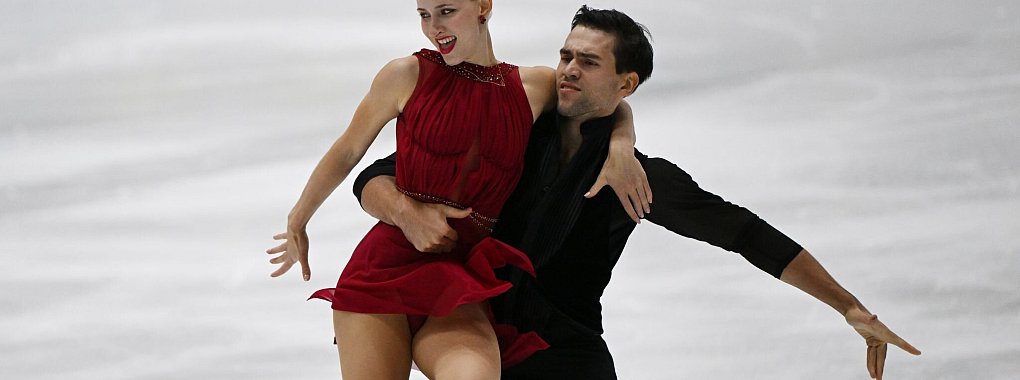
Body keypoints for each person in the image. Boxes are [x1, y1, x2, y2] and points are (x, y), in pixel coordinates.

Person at [352, 6, 921, 380]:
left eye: (588, 62)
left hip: (564, 352)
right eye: (566, 56)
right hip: (472, 326)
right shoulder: (516, 126)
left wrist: (848, 305)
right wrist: (406, 213)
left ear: (627, 83)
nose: (569, 71)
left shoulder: (637, 179)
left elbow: (743, 233)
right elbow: (376, 173)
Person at [264, 1, 653, 379]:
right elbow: (349, 148)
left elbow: (605, 97)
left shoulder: (533, 86)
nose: (434, 27)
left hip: (462, 273)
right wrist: (298, 220)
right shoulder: (406, 74)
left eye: (447, 11)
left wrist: (621, 145)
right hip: (384, 266)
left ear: (484, 7)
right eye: (424, 15)